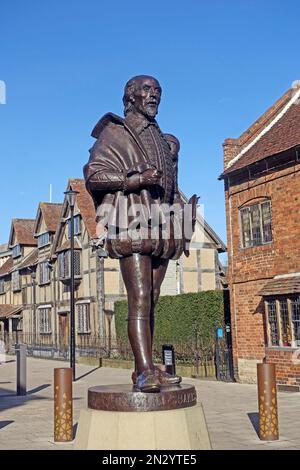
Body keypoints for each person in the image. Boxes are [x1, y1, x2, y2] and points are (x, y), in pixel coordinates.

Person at [84, 75, 196, 392]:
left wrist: (183, 219)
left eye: (158, 91)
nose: (154, 95)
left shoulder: (162, 139)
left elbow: (171, 188)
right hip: (132, 223)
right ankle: (146, 370)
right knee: (141, 297)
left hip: (162, 227)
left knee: (153, 300)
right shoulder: (116, 134)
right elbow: (94, 176)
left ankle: (143, 368)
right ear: (131, 96)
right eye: (147, 90)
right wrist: (135, 180)